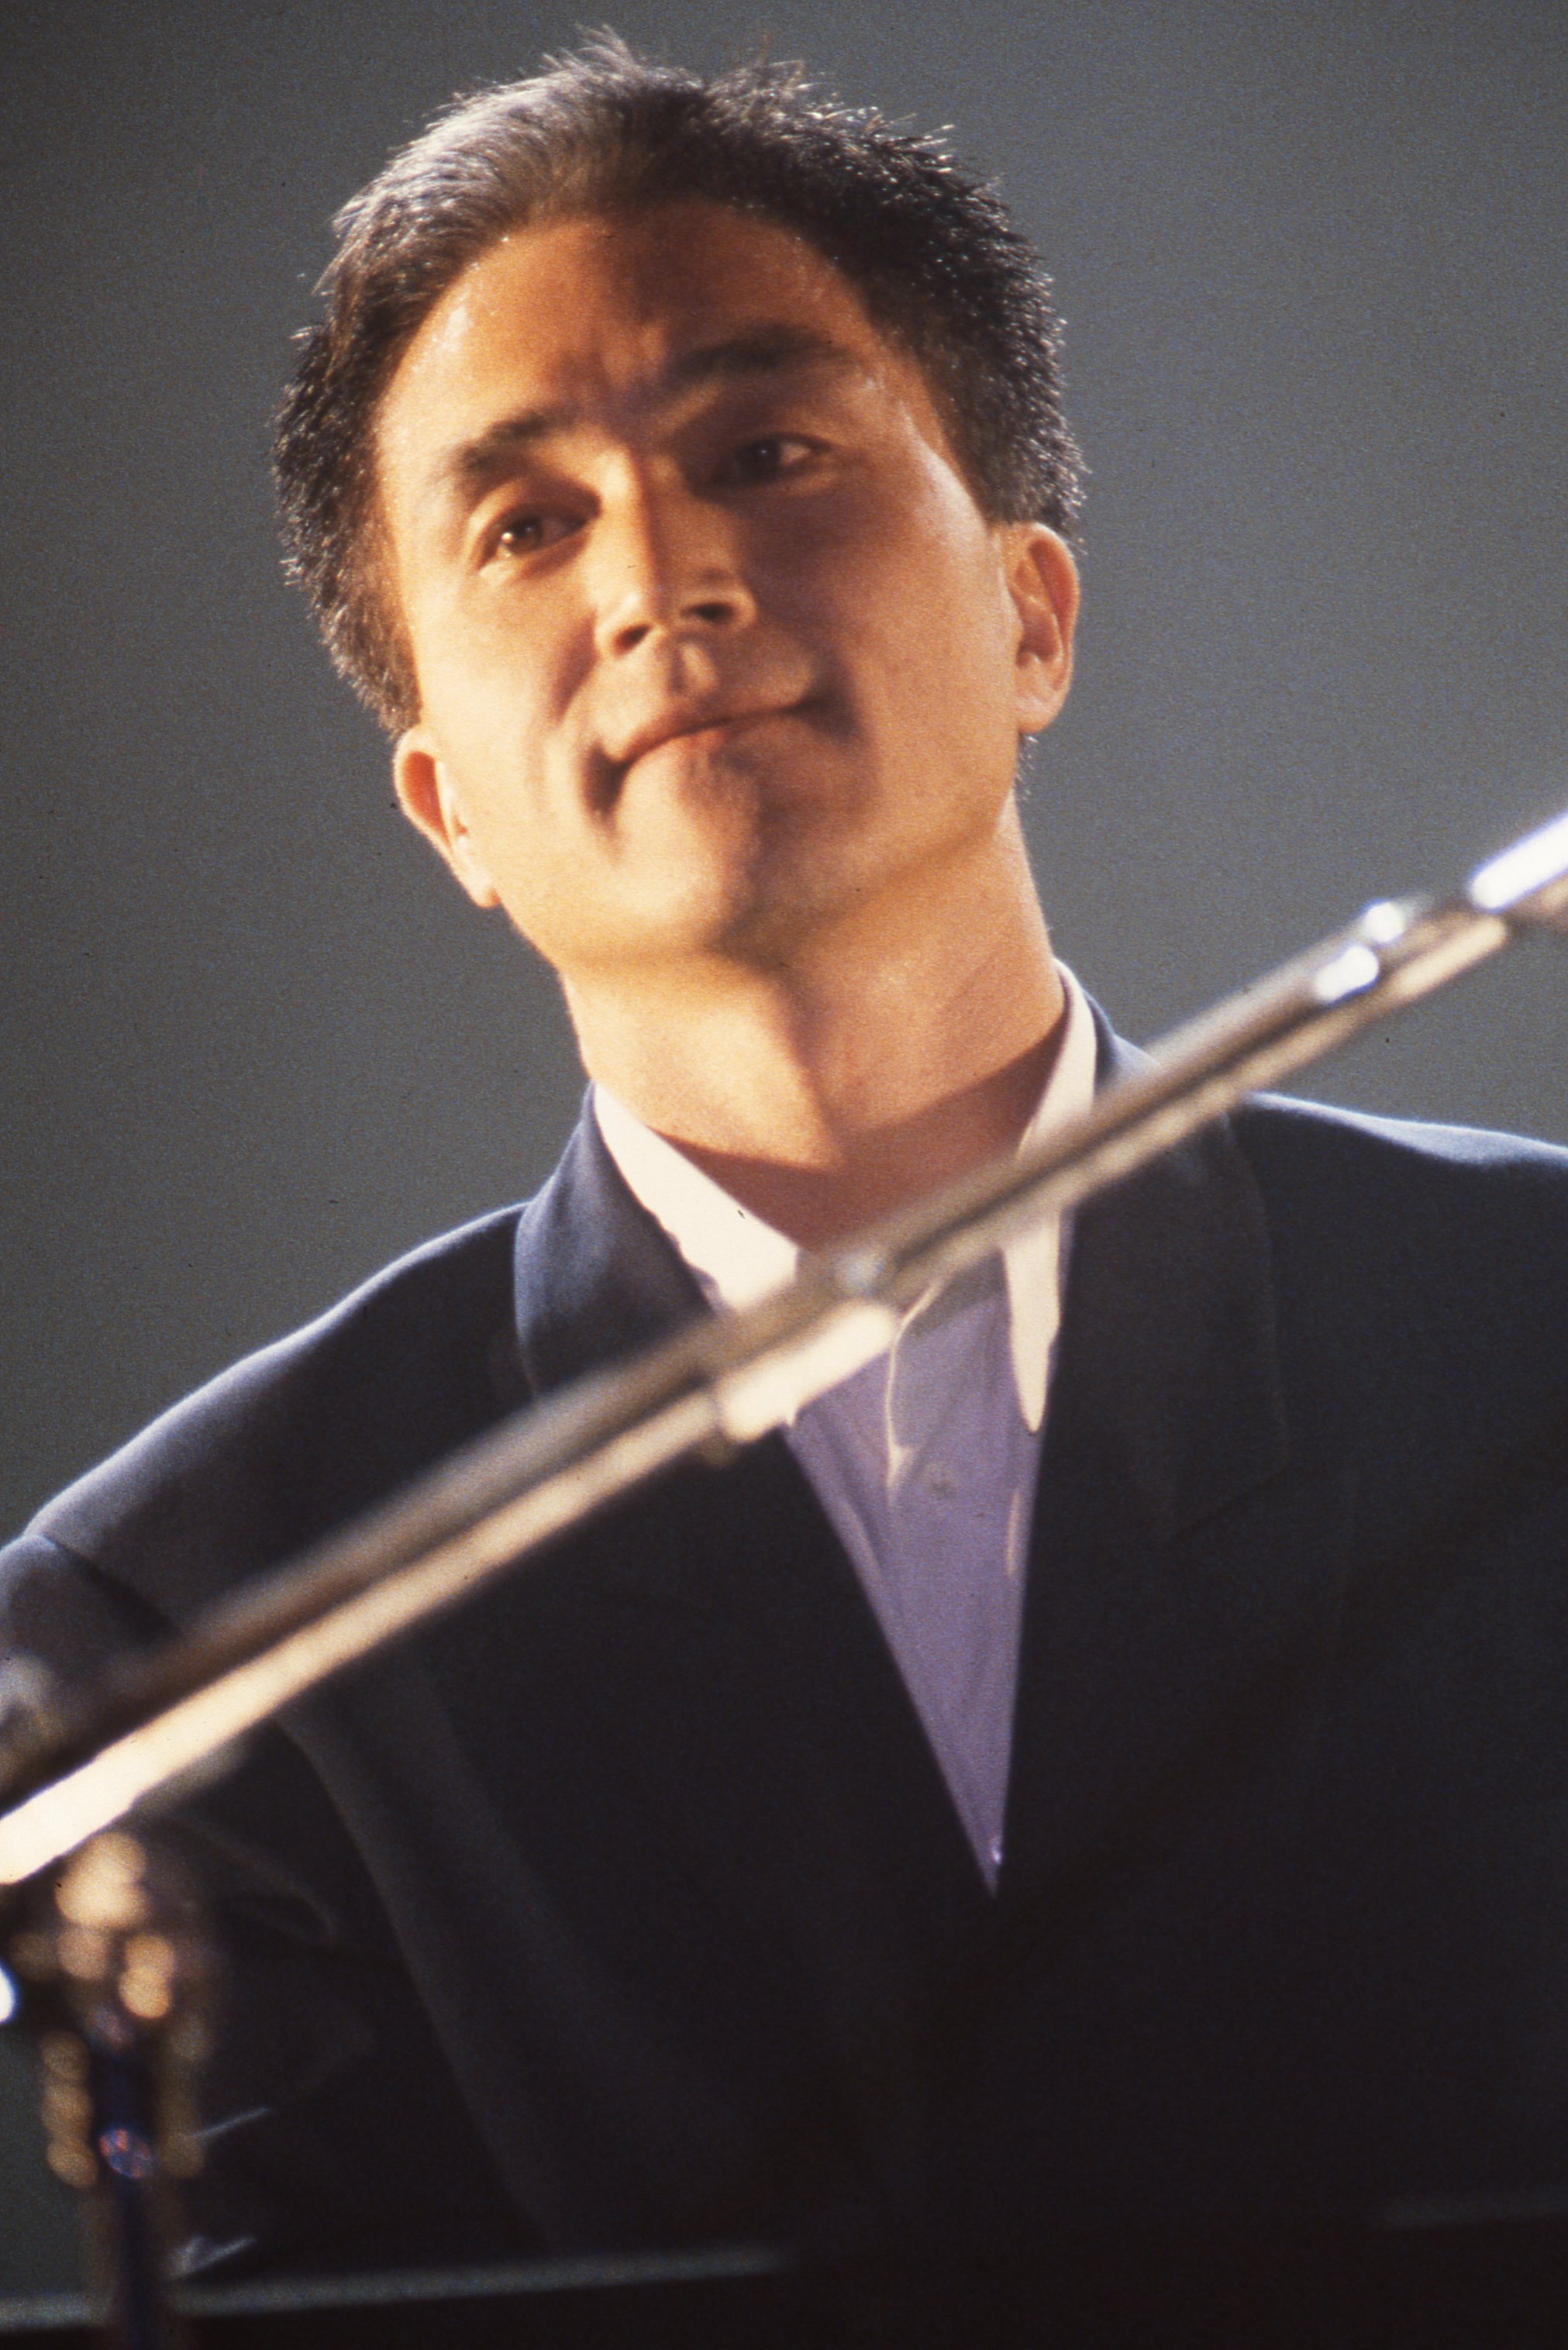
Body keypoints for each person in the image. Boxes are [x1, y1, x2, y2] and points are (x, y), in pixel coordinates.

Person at [6, 34, 1568, 2314]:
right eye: (526, 524)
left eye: (764, 454)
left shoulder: (1531, 1327)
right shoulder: (189, 1622)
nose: (665, 573)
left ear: (1032, 615)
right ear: (447, 809)